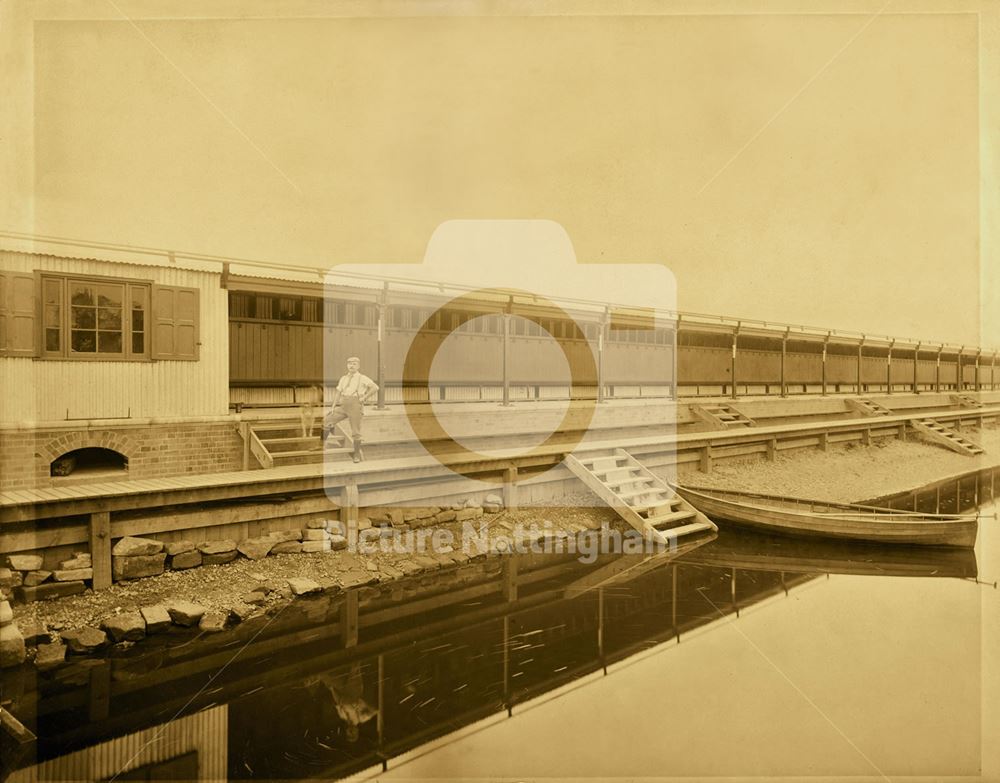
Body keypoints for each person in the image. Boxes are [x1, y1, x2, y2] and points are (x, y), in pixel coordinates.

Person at [322, 357, 378, 462]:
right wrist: (333, 405)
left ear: (358, 366)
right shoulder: (343, 378)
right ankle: (321, 445)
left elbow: (375, 387)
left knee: (356, 431)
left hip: (355, 406)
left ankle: (356, 454)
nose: (351, 366)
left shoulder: (362, 378)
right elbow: (338, 392)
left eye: (354, 364)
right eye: (349, 364)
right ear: (347, 365)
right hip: (343, 405)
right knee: (326, 420)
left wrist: (364, 397)